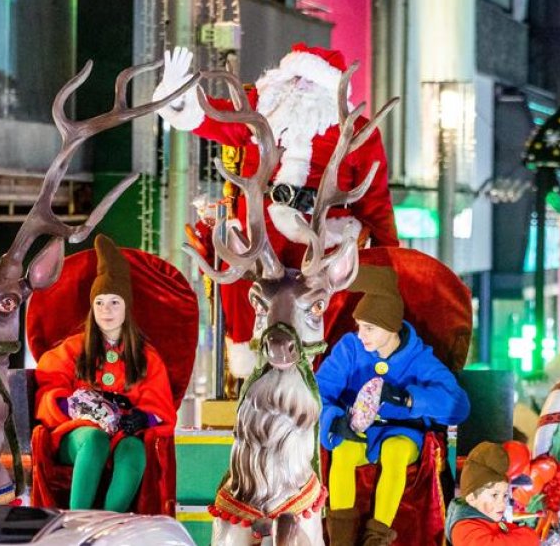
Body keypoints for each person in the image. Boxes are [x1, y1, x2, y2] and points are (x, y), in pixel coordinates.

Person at [154, 44, 399, 379]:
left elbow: (375, 200)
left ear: (330, 90)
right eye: (294, 79)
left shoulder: (356, 131)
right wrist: (175, 98)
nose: (299, 89)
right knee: (237, 272)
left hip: (322, 230)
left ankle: (321, 369)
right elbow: (212, 119)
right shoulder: (260, 111)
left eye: (309, 82)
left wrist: (391, 259)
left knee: (329, 289)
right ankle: (246, 357)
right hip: (261, 225)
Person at [317, 265, 471, 545]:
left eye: (369, 328)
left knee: (395, 453)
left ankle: (376, 537)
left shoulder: (418, 357)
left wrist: (409, 398)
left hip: (403, 432)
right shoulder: (350, 348)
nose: (361, 335)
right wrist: (332, 418)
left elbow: (458, 405)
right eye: (360, 327)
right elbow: (318, 390)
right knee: (344, 452)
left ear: (391, 326)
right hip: (358, 428)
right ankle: (340, 539)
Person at [34, 235, 177, 512]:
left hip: (122, 436)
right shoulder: (72, 349)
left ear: (126, 307)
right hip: (76, 436)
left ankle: (110, 525)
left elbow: (162, 409)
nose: (106, 310)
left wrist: (143, 417)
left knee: (135, 451)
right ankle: (76, 521)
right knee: (94, 440)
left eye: (114, 302)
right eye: (99, 303)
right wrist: (76, 406)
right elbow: (48, 388)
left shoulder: (146, 357)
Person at [445, 442, 539, 546]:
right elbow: (525, 538)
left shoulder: (486, 517)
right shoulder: (464, 530)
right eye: (494, 495)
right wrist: (530, 537)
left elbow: (513, 532)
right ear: (471, 498)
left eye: (505, 496)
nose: (502, 503)